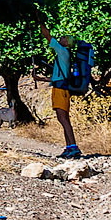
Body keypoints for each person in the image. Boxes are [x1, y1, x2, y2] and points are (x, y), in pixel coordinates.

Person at [37, 18, 81, 159]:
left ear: (67, 43)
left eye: (63, 38)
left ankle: (73, 147)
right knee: (62, 118)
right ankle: (69, 147)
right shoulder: (64, 55)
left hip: (61, 90)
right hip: (59, 87)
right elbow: (59, 76)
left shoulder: (63, 51)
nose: (60, 38)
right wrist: (42, 79)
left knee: (63, 119)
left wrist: (39, 20)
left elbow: (47, 35)